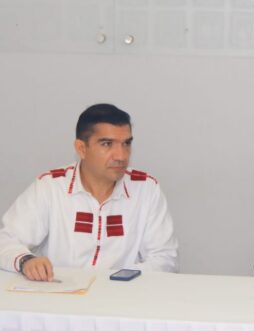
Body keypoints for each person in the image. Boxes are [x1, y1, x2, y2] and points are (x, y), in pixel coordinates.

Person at [0, 103, 178, 281]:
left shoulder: (146, 188)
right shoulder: (50, 187)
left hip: (123, 293)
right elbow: (6, 240)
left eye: (126, 143)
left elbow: (165, 259)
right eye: (107, 144)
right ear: (81, 149)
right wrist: (26, 260)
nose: (121, 156)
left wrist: (115, 281)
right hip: (60, 293)